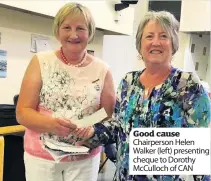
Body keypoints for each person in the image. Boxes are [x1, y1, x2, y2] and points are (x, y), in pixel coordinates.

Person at [79, 11, 211, 181]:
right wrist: (91, 132)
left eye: (164, 36)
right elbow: (118, 126)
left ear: (173, 44)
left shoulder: (187, 84)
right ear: (140, 44)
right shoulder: (129, 81)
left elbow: (199, 148)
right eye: (149, 36)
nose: (156, 42)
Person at [16, 2, 115, 181]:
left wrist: (88, 125)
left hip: (85, 159)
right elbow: (23, 113)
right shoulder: (41, 62)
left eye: (80, 28)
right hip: (42, 158)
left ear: (90, 32)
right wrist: (52, 124)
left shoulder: (102, 69)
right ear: (58, 31)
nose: (73, 34)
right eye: (66, 27)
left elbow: (107, 112)